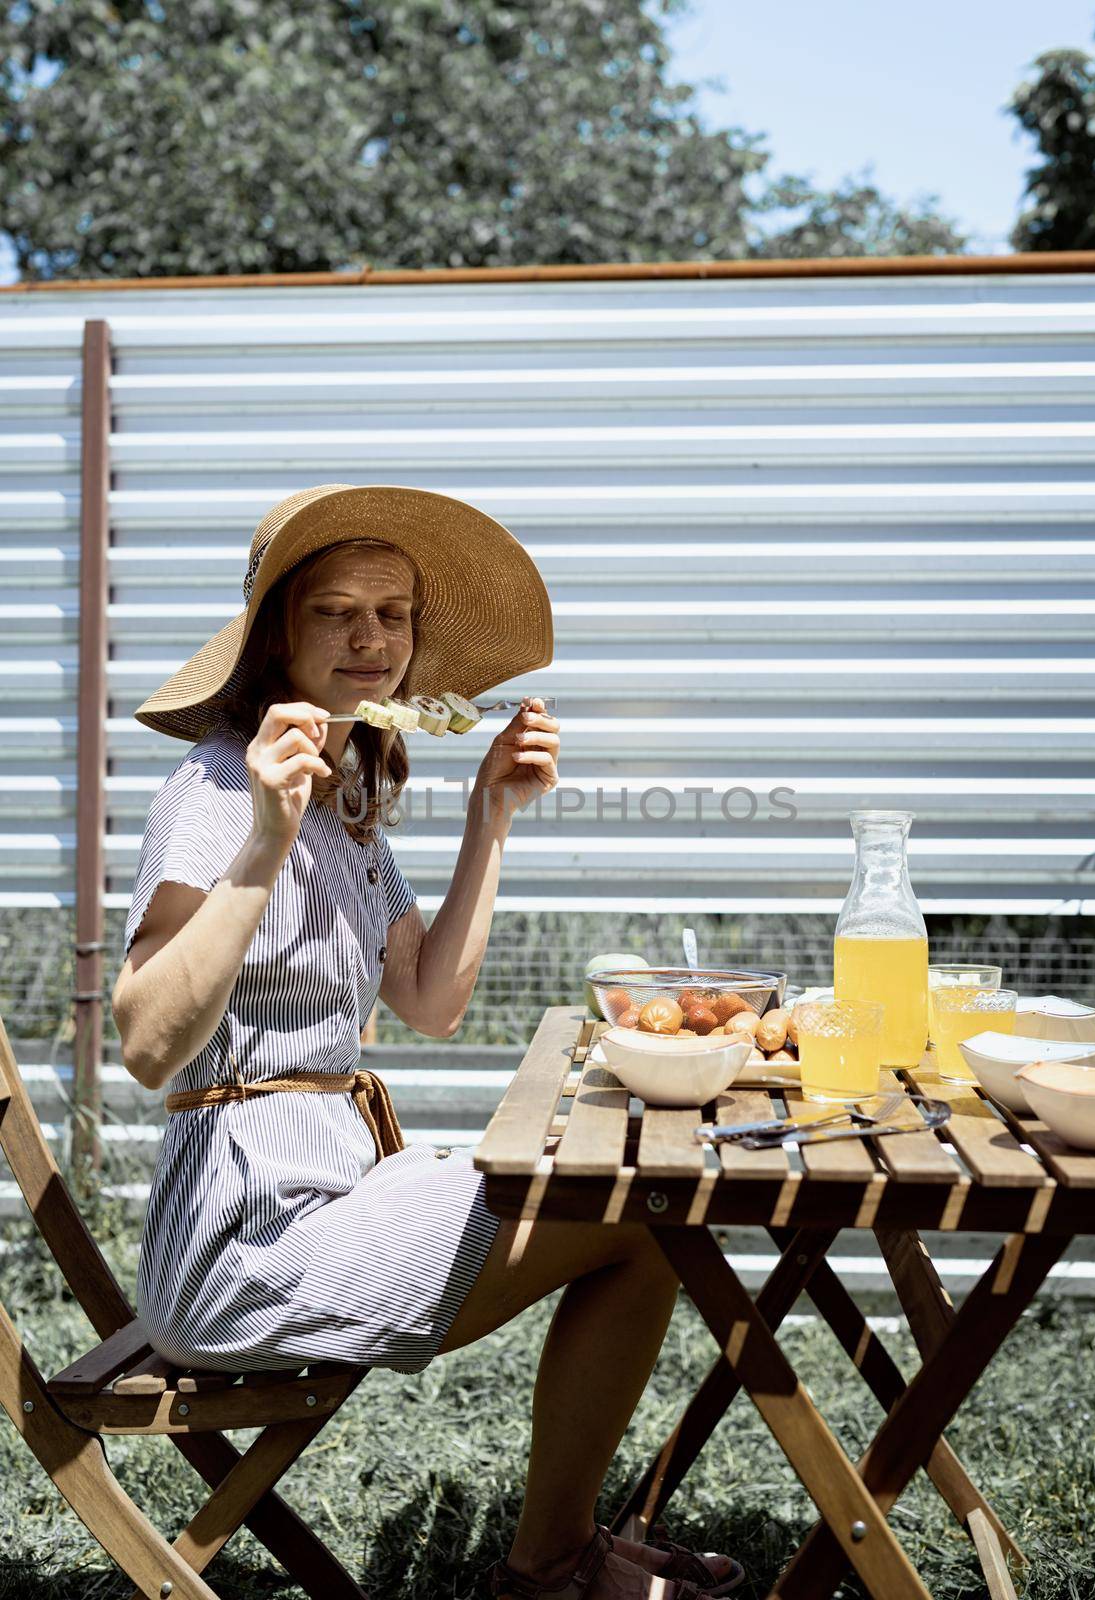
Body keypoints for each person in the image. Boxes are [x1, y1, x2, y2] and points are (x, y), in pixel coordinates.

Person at [112, 484, 743, 1599]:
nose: (371, 639)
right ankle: (552, 1567)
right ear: (276, 636)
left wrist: (488, 816)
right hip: (241, 1244)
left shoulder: (347, 790)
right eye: (336, 612)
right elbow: (149, 1044)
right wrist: (264, 838)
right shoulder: (220, 786)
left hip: (333, 1196)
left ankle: (563, 1552)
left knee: (641, 1205)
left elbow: (431, 998)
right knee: (639, 1214)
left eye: (393, 614)